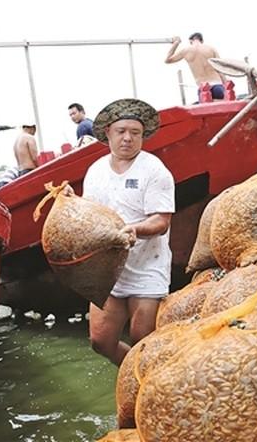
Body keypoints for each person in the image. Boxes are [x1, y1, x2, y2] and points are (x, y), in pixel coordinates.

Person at [81, 98, 175, 366]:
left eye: (135, 133)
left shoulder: (154, 169)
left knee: (142, 339)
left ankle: (147, 383)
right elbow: (88, 215)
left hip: (147, 266)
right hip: (108, 269)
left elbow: (161, 221)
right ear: (108, 132)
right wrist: (68, 204)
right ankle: (135, 377)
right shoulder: (95, 171)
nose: (128, 138)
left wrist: (131, 230)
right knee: (100, 341)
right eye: (121, 131)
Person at [165, 32, 226, 100]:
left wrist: (176, 43)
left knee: (206, 109)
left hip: (203, 89)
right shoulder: (211, 49)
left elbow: (167, 60)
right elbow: (220, 69)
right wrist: (227, 88)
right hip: (217, 86)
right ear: (202, 40)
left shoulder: (186, 50)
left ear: (191, 41)